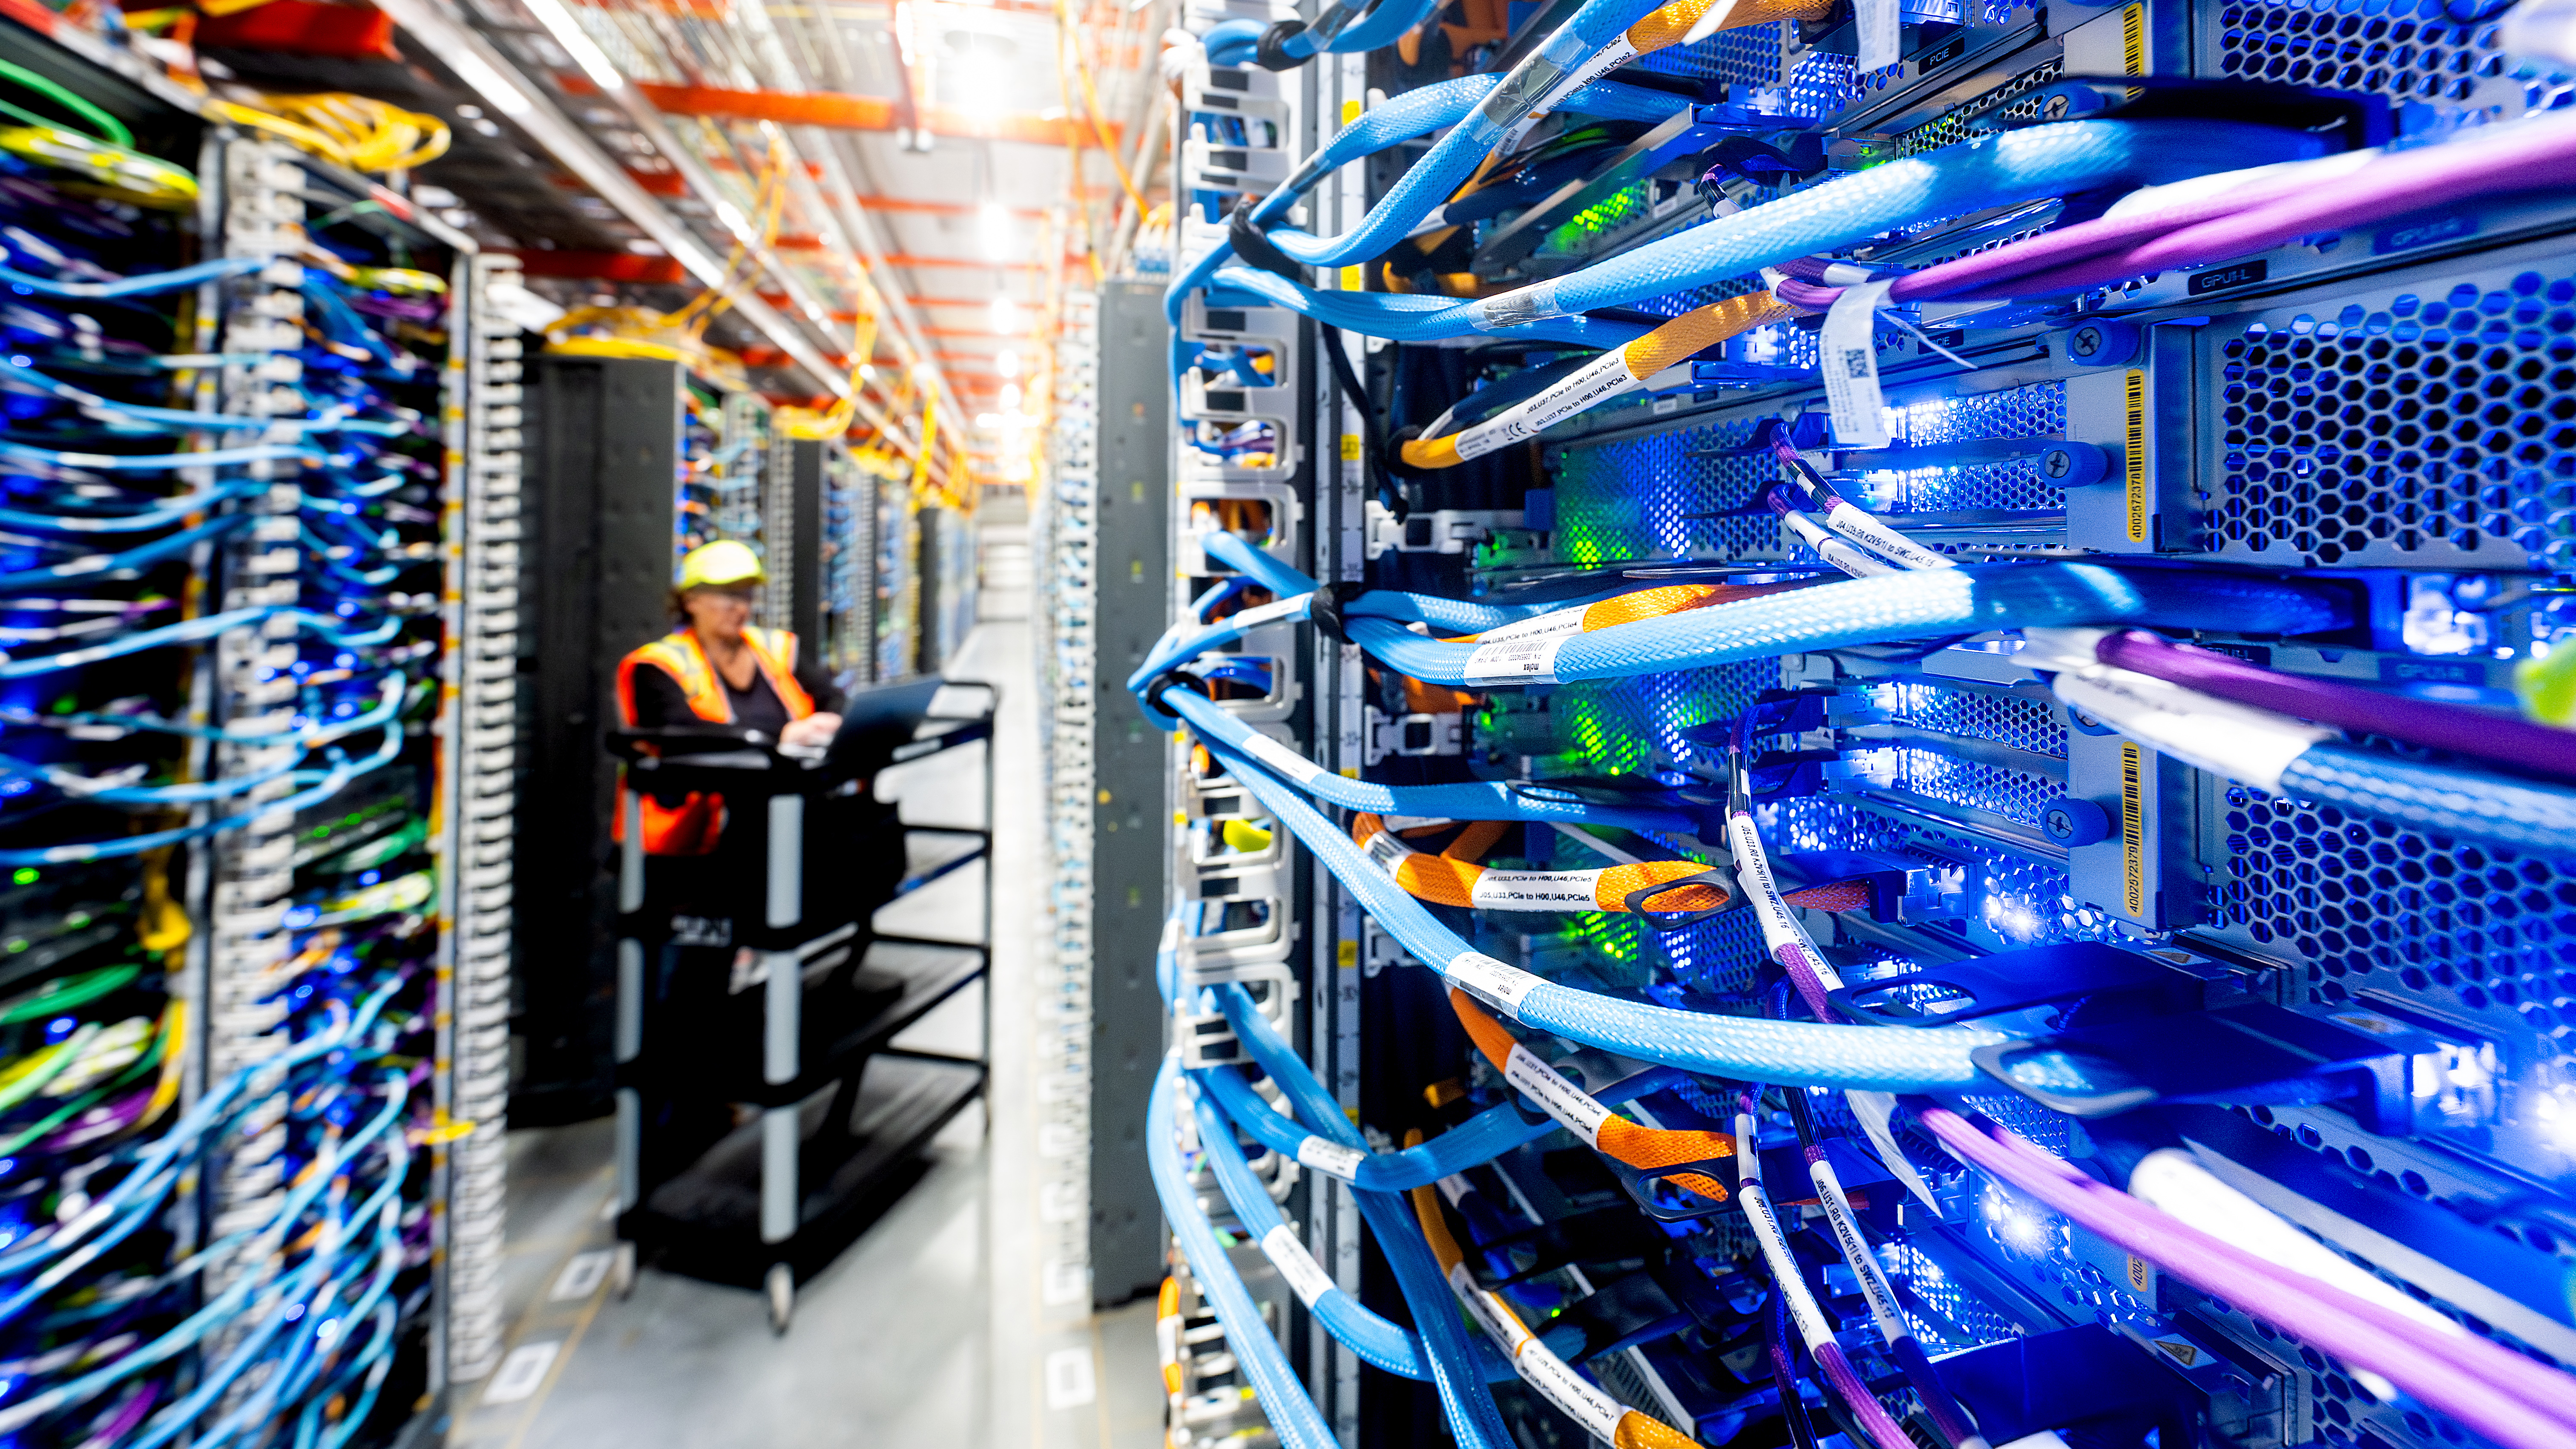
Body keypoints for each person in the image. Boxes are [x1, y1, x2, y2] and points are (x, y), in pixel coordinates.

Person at [614, 539, 846, 856]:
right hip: (703, 828)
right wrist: (782, 737)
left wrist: (831, 722)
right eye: (729, 595)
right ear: (691, 600)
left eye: (748, 595)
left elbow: (831, 699)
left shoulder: (777, 648)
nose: (742, 607)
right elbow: (680, 734)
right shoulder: (657, 665)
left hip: (790, 802)